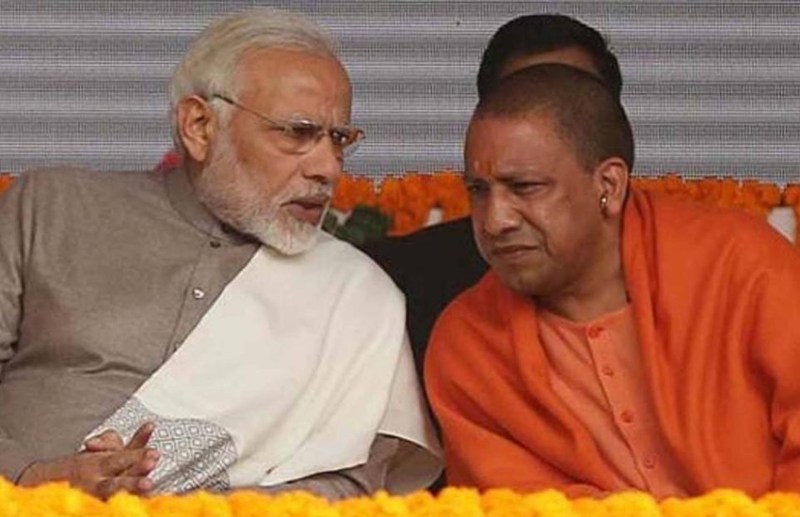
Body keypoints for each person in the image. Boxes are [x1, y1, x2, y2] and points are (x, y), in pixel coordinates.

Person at [0, 8, 440, 500]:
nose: (328, 168)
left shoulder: (358, 294)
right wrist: (32, 479)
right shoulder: (53, 206)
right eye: (297, 133)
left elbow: (354, 483)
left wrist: (192, 512)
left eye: (339, 139)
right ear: (199, 126)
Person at [425, 63, 800, 498]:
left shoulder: (741, 266)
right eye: (478, 190)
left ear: (609, 185)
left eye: (524, 187)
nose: (495, 220)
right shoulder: (467, 344)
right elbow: (521, 505)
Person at [363, 14, 623, 380]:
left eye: (571, 104)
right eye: (522, 103)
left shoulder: (696, 267)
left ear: (611, 180)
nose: (498, 220)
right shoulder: (404, 284)